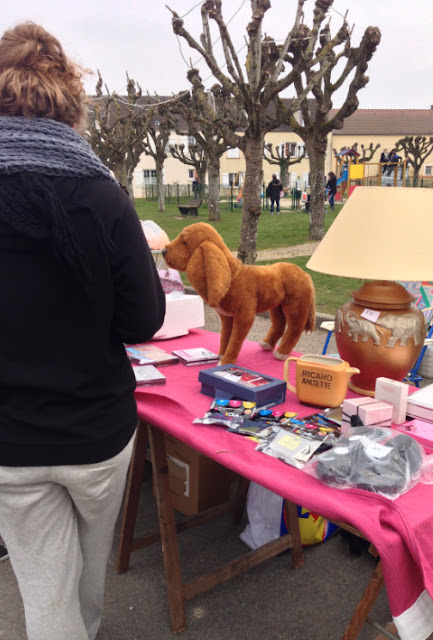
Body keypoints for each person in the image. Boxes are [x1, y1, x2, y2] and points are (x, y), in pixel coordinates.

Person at [0, 22, 165, 640]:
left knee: (44, 593)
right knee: (86, 579)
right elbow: (144, 319)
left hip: (11, 439)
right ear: (69, 100)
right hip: (96, 430)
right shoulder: (102, 194)